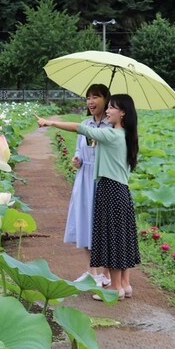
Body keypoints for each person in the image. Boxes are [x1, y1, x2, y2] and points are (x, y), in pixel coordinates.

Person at [36, 94, 140, 301]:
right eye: (107, 107)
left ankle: (115, 289)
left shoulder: (111, 135)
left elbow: (79, 128)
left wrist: (50, 122)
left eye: (112, 108)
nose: (108, 111)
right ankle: (125, 285)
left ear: (123, 113)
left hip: (109, 190)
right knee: (121, 238)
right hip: (121, 191)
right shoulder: (125, 135)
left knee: (111, 239)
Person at [64, 84, 112, 287]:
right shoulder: (85, 124)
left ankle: (108, 274)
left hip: (103, 178)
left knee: (104, 225)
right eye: (88, 98)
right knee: (85, 221)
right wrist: (77, 159)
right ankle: (91, 272)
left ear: (106, 100)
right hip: (84, 178)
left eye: (96, 97)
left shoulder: (113, 127)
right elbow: (79, 151)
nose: (91, 102)